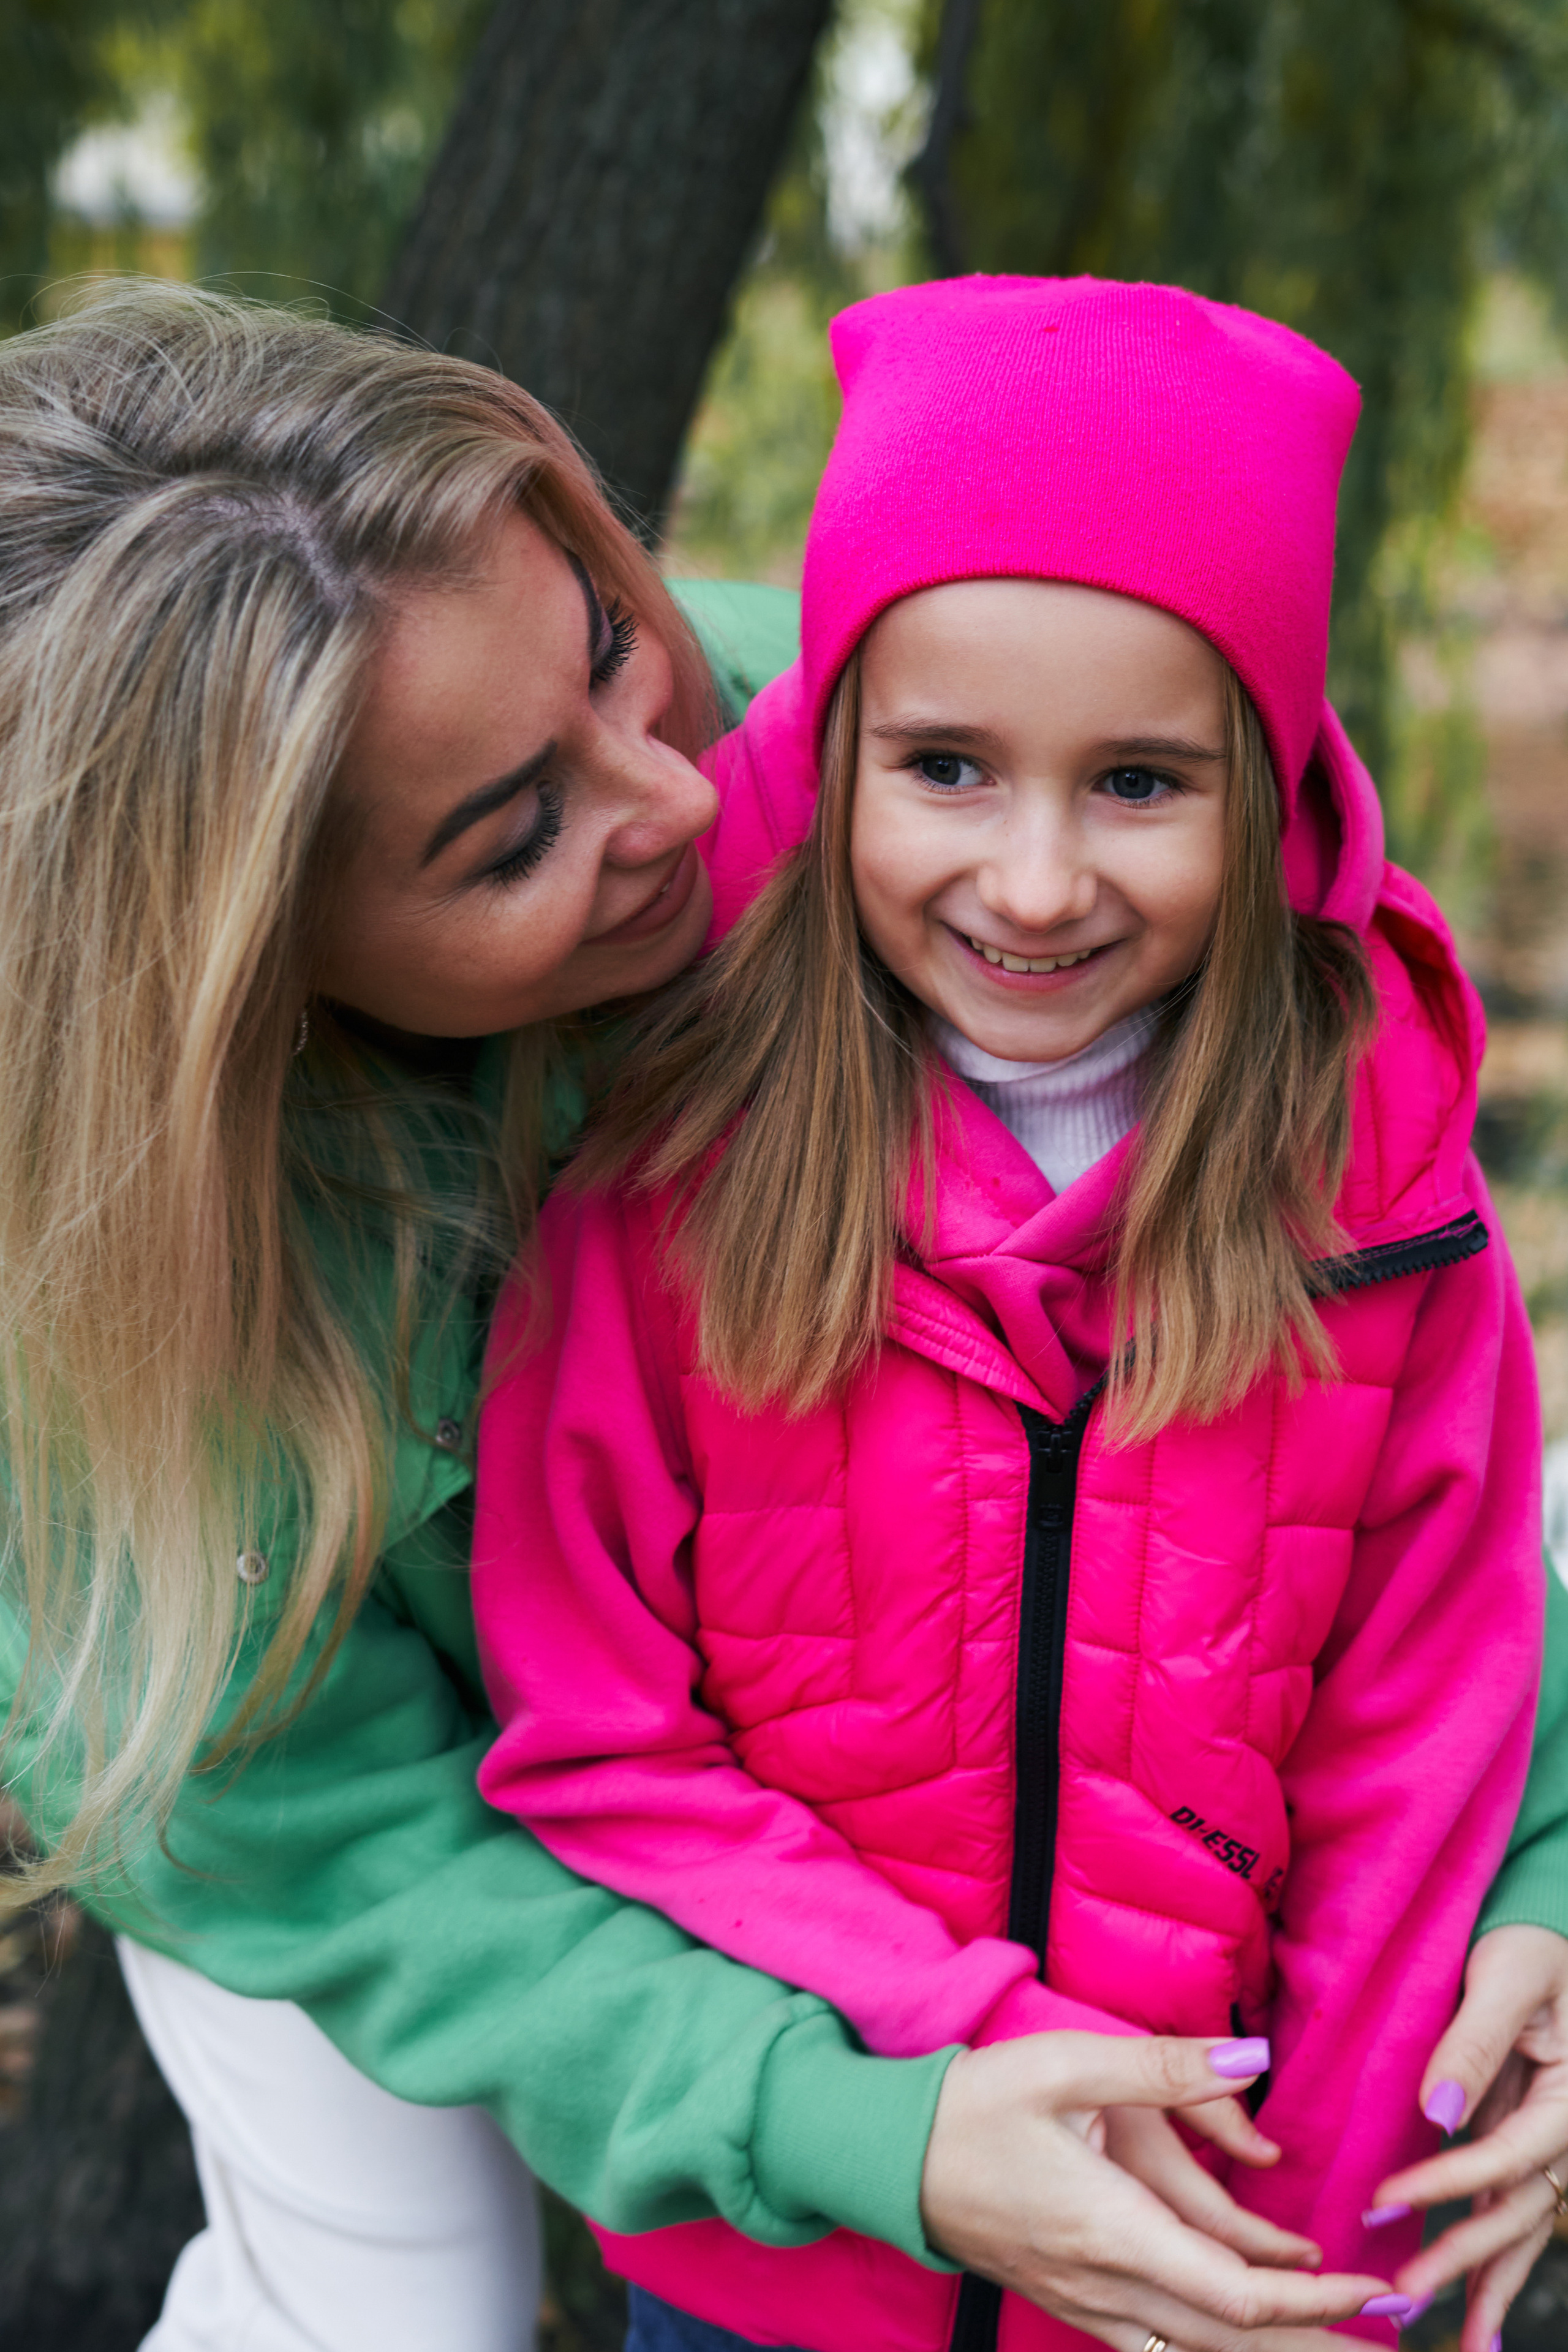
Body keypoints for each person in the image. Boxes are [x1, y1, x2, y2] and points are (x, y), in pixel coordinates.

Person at [0, 279, 1403, 2352]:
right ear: (244, 968)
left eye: (603, 646)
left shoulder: (843, 759)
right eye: (515, 837)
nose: (674, 802)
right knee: (392, 2306)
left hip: (807, 1747)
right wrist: (830, 2116)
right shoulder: (85, 1340)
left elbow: (1363, 1307)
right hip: (348, 1796)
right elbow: (359, 1859)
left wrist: (1523, 1868)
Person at [472, 276, 1549, 2352]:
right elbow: (600, 1741)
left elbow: (1422, 1761)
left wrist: (1310, 2275)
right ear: (834, 754)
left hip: (1221, 2260)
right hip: (801, 2260)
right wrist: (960, 2054)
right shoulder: (669, 1182)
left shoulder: (1387, 1213)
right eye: (950, 768)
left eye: (1140, 783)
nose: (1038, 883)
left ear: (1270, 790)